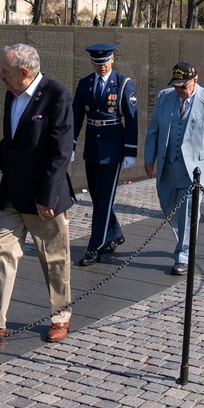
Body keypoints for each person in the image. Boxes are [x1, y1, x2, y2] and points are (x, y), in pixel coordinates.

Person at [0, 44, 75, 345]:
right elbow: (12, 136)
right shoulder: (12, 94)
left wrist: (47, 196)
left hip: (44, 198)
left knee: (55, 261)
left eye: (5, 72)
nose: (0, 77)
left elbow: (61, 152)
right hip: (13, 196)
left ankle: (61, 316)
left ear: (25, 72)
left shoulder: (57, 95)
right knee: (1, 255)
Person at [144, 62, 204, 275]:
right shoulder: (164, 97)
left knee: (188, 212)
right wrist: (149, 158)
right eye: (176, 86)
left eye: (183, 86)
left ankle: (183, 255)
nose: (179, 91)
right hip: (168, 166)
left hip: (195, 169)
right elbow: (153, 129)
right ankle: (184, 238)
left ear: (195, 81)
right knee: (168, 205)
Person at [71, 43, 139, 266]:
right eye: (97, 63)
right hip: (92, 146)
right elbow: (76, 117)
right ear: (92, 62)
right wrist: (70, 146)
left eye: (105, 62)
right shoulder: (85, 84)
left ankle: (95, 247)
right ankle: (115, 233)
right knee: (97, 196)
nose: (101, 67)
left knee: (103, 201)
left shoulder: (122, 84)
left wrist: (130, 151)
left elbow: (131, 118)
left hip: (113, 148)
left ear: (112, 59)